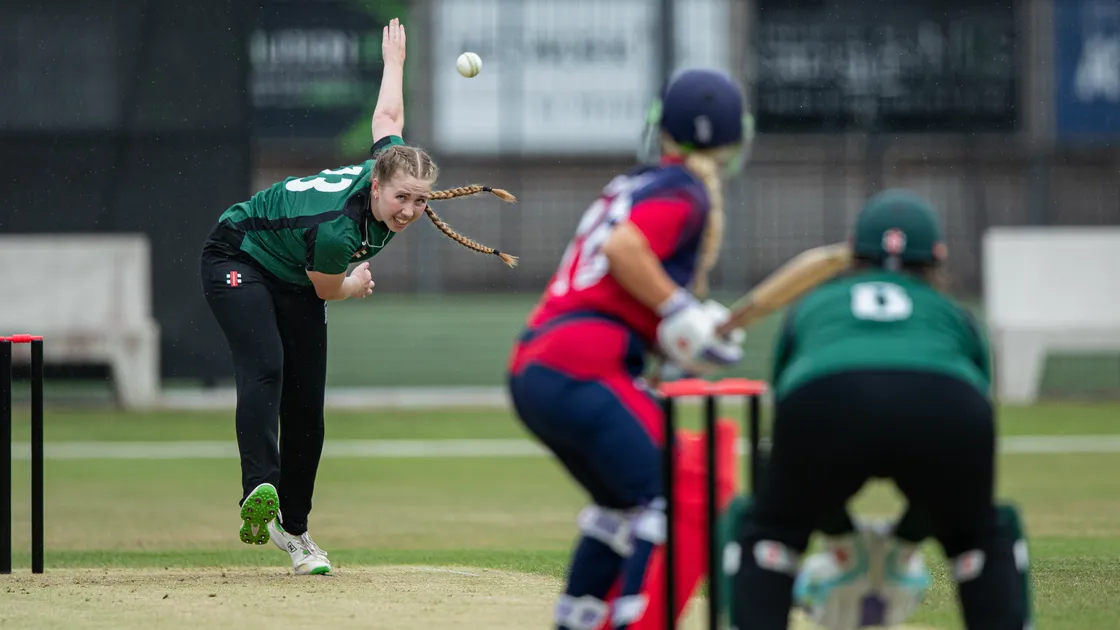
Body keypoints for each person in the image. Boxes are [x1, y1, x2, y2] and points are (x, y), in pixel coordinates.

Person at [198, 18, 517, 575]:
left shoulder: (389, 166)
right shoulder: (338, 232)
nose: (410, 211)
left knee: (308, 409)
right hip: (239, 255)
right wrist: (356, 283)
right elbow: (329, 286)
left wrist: (394, 63)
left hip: (295, 273)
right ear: (376, 184)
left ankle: (295, 531)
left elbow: (388, 119)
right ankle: (259, 490)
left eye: (420, 200)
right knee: (267, 366)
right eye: (401, 198)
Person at [506, 68, 751, 629]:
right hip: (585, 364)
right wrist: (680, 308)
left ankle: (578, 619)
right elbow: (623, 249)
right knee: (680, 489)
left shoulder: (636, 183)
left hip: (539, 365)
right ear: (734, 140)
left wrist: (688, 328)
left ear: (661, 128)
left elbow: (621, 285)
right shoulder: (683, 189)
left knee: (622, 506)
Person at [728, 189, 1033, 629]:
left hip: (826, 397)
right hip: (945, 401)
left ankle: (804, 553)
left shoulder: (816, 303)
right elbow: (974, 411)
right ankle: (959, 560)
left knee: (774, 529)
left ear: (853, 251)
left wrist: (838, 535)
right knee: (977, 536)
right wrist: (904, 542)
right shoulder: (953, 312)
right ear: (937, 256)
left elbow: (790, 418)